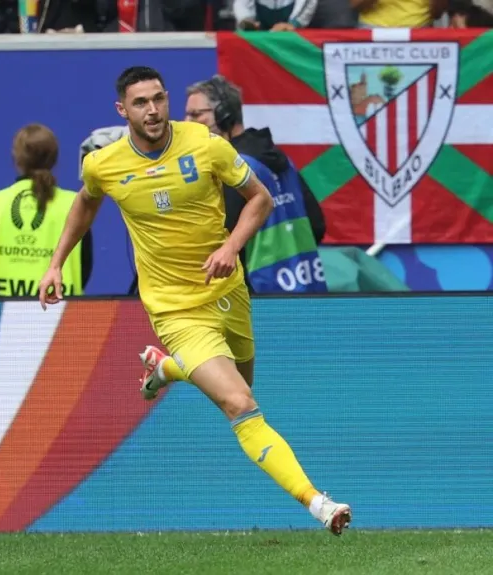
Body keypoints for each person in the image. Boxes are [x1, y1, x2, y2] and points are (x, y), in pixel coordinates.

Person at [38, 65, 352, 536]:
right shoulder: (103, 164)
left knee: (243, 386)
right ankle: (318, 502)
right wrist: (56, 261)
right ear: (122, 110)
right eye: (141, 102)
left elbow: (260, 200)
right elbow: (86, 201)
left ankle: (167, 368)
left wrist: (230, 247)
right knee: (239, 403)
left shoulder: (206, 144)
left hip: (228, 292)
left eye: (159, 98)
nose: (153, 110)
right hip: (173, 307)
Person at [185, 75, 327, 294]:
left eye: (196, 114)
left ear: (224, 115)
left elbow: (223, 237)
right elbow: (317, 225)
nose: (187, 123)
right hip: (305, 286)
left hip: (258, 295)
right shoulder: (281, 158)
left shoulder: (233, 166)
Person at [0, 124, 91, 298]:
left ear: (16, 158)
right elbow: (85, 266)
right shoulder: (75, 203)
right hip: (60, 311)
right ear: (54, 158)